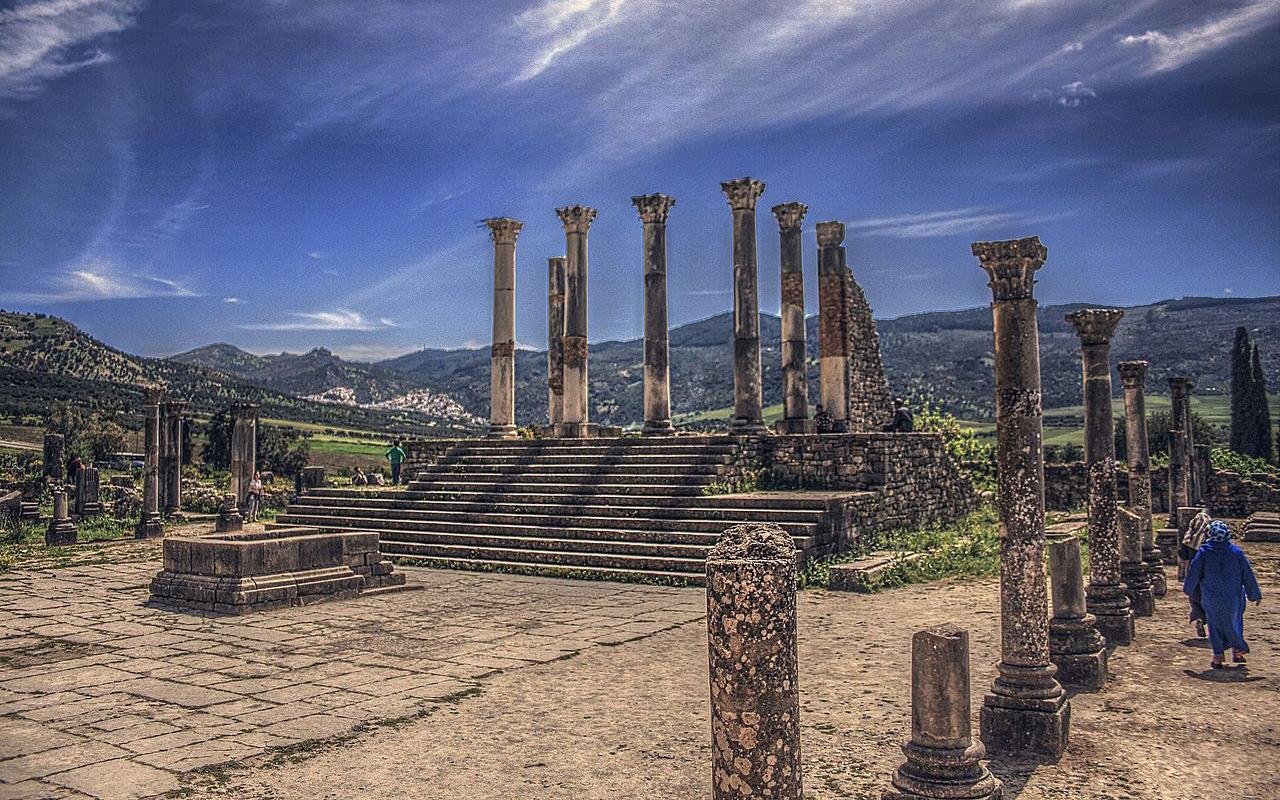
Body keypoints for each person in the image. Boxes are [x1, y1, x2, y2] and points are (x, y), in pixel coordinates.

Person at [1183, 520, 1262, 669]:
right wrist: (1254, 594)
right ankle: (1238, 652)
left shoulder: (1204, 553)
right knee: (1235, 622)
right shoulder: (1236, 553)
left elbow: (1193, 572)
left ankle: (1218, 657)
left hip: (1211, 598)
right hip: (1234, 598)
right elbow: (1248, 575)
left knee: (1215, 626)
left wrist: (1188, 589)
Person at [1179, 508, 1213, 636]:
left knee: (1195, 598)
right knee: (1208, 598)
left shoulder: (1189, 537)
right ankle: (1208, 621)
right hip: (1209, 574)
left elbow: (1183, 554)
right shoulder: (1210, 539)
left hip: (1193, 572)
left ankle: (1198, 617)